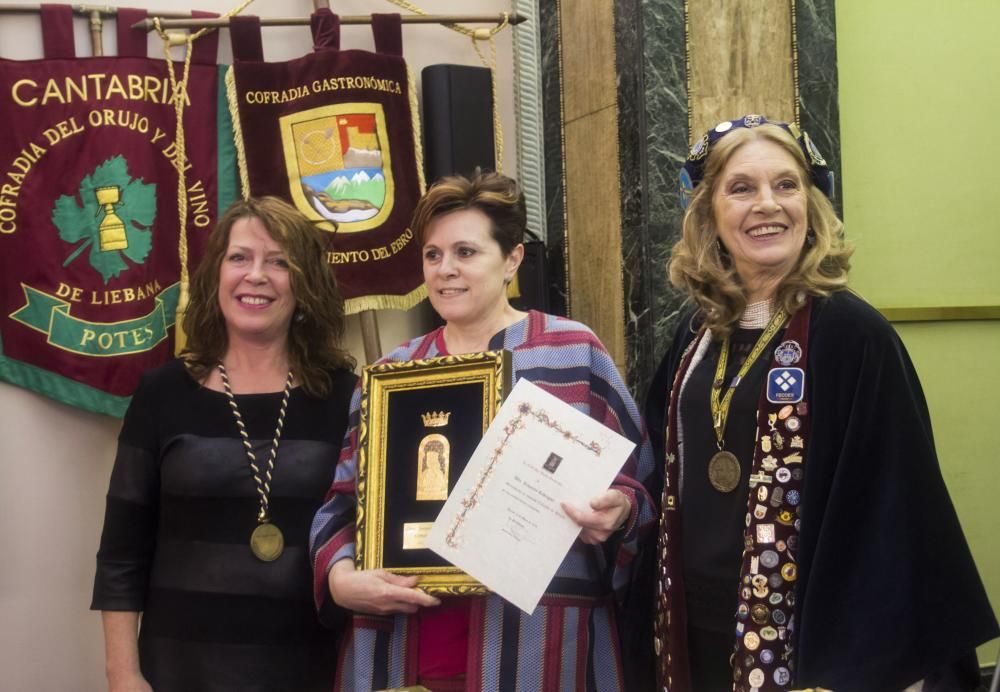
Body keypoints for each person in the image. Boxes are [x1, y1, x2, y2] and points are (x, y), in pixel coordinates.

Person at [645, 115, 999, 692]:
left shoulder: (854, 335)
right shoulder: (696, 335)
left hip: (812, 644)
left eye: (786, 185)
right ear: (708, 213)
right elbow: (658, 467)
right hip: (695, 632)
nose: (768, 204)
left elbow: (898, 511)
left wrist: (863, 666)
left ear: (812, 207)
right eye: (742, 188)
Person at [310, 171, 657, 691]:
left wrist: (621, 510)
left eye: (466, 252)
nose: (446, 270)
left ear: (512, 259)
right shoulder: (390, 374)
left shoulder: (572, 353)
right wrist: (340, 580)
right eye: (433, 255)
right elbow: (341, 503)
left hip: (541, 651)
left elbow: (643, 486)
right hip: (406, 648)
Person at [91, 197, 357, 691]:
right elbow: (121, 554)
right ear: (216, 274)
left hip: (312, 671)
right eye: (240, 258)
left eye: (279, 261)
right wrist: (122, 674)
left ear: (305, 284)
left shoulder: (344, 394)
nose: (256, 275)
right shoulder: (161, 393)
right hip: (177, 671)